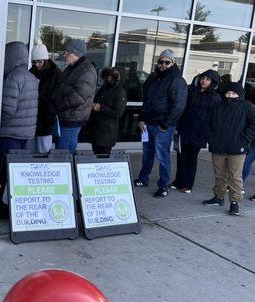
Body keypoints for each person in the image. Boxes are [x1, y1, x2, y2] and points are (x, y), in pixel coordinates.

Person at [133, 49, 188, 198]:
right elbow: (147, 101)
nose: (163, 64)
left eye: (167, 62)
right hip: (147, 124)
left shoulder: (177, 80)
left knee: (163, 157)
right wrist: (141, 119)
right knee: (147, 154)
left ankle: (163, 186)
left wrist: (165, 124)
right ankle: (143, 178)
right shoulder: (153, 78)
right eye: (160, 61)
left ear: (173, 63)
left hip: (162, 127)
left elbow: (178, 106)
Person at [0, 41, 38, 216]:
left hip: (10, 133)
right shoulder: (31, 77)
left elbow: (7, 109)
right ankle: (17, 208)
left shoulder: (12, 77)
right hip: (26, 134)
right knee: (17, 174)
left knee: (3, 173)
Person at [203, 82, 255, 215]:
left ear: (239, 94)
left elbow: (253, 124)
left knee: (235, 177)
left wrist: (245, 139)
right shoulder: (217, 106)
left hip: (237, 149)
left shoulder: (246, 107)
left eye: (233, 93)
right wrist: (211, 139)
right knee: (219, 175)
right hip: (218, 147)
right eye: (228, 93)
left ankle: (234, 202)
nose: (230, 96)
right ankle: (218, 197)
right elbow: (207, 124)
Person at [171, 69, 221, 193]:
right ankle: (178, 181)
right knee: (181, 157)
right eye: (203, 78)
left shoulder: (215, 98)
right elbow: (183, 109)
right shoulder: (191, 91)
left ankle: (188, 184)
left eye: (208, 79)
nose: (204, 81)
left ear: (213, 82)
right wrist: (177, 127)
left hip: (199, 133)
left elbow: (215, 118)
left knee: (191, 159)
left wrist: (208, 133)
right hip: (184, 129)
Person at [53, 39, 97, 153]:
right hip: (66, 116)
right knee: (63, 150)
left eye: (69, 52)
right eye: (66, 51)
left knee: (63, 153)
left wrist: (58, 105)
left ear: (78, 54)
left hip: (72, 118)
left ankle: (65, 170)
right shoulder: (73, 68)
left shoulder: (86, 70)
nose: (65, 54)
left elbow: (78, 97)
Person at [28, 40, 61, 153]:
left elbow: (58, 94)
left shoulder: (56, 74)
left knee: (43, 149)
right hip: (33, 116)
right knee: (30, 149)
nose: (37, 65)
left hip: (46, 117)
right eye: (34, 62)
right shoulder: (31, 72)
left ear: (46, 61)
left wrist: (51, 110)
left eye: (40, 62)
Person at [87, 67, 127, 155]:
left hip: (107, 131)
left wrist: (101, 108)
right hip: (97, 128)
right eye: (107, 76)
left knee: (104, 156)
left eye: (111, 76)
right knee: (96, 154)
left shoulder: (120, 91)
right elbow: (96, 101)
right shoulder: (104, 88)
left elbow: (118, 112)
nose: (108, 78)